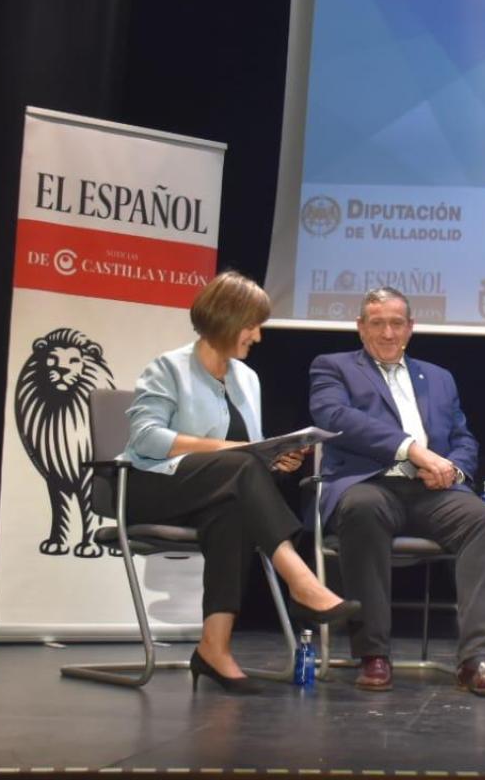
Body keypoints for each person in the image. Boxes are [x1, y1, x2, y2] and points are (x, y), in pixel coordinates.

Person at [122, 272, 360, 694]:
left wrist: (275, 459)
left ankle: (215, 646)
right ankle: (302, 582)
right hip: (146, 486)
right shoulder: (168, 368)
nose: (258, 337)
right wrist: (235, 449)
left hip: (211, 491)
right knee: (239, 468)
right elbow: (147, 438)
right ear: (228, 320)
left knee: (233, 508)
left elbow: (248, 456)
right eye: (253, 326)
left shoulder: (247, 378)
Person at [309, 287, 485, 697]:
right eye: (377, 323)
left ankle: (479, 659)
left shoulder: (438, 377)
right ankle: (374, 654)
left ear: (411, 328)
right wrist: (413, 450)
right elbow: (335, 417)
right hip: (368, 483)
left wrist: (451, 468)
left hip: (431, 490)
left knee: (484, 521)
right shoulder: (332, 367)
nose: (387, 333)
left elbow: (462, 437)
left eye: (396, 323)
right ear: (361, 328)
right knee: (362, 509)